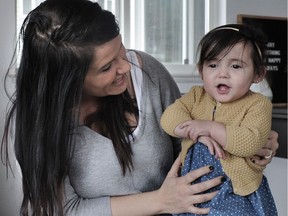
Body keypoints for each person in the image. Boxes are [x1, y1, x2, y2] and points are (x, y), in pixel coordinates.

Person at [0, 1, 279, 215]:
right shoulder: (39, 121)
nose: (125, 67)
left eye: (121, 51)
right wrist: (160, 201)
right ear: (68, 82)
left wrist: (250, 140)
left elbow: (189, 130)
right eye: (107, 67)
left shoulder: (146, 72)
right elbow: (63, 210)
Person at [161, 24, 278, 215]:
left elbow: (251, 142)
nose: (222, 73)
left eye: (235, 66)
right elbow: (169, 117)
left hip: (235, 191)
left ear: (258, 74)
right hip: (193, 188)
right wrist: (195, 134)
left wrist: (210, 128)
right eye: (213, 65)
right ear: (201, 71)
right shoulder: (196, 96)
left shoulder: (258, 104)